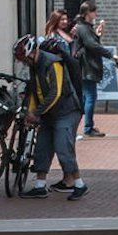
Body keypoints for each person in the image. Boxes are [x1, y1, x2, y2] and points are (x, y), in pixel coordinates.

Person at [19, 28, 87, 199]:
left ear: (32, 52)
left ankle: (79, 184)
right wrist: (32, 111)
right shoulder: (34, 66)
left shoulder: (53, 63)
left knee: (63, 148)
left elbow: (55, 93)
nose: (24, 62)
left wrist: (36, 113)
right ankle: (40, 185)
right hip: (49, 113)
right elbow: (36, 91)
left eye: (24, 59)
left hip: (66, 110)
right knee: (42, 147)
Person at [74, 1, 115, 139]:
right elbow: (92, 45)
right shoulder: (83, 28)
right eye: (93, 11)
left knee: (87, 97)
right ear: (87, 13)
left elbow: (91, 43)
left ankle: (86, 126)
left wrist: (97, 34)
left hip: (87, 67)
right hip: (87, 68)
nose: (95, 13)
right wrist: (110, 54)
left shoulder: (85, 27)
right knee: (90, 97)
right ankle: (87, 127)